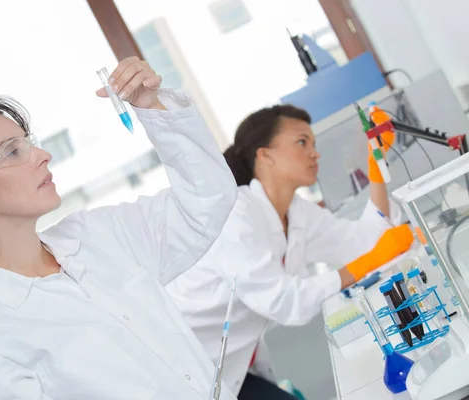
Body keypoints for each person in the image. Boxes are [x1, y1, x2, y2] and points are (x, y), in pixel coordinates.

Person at [0, 57, 239, 399]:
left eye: (28, 141)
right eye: (12, 152)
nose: (42, 155)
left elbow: (207, 199)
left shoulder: (97, 235)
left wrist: (153, 107)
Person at [165, 105, 414, 398]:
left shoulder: (297, 212)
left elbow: (366, 243)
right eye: (302, 142)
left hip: (229, 367)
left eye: (314, 143)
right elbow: (282, 300)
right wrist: (364, 264)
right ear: (265, 154)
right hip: (180, 369)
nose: (315, 153)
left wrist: (377, 164)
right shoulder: (235, 214)